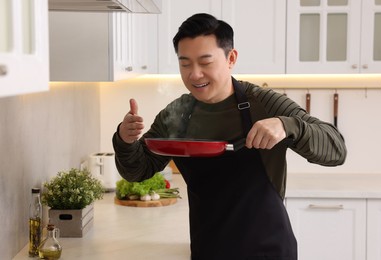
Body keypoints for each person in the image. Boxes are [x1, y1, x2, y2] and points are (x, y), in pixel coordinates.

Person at [113, 13, 347, 260]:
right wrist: (125, 140)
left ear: (231, 58)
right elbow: (138, 170)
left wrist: (288, 125)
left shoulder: (263, 103)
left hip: (268, 251)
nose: (194, 74)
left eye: (205, 62)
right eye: (185, 64)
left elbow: (336, 149)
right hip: (208, 250)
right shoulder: (177, 113)